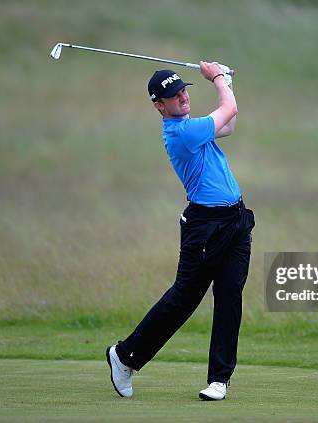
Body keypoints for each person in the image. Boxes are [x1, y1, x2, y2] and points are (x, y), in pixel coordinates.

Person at [106, 61, 255, 401]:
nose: (183, 97)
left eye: (184, 90)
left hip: (235, 222)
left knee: (230, 296)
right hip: (204, 228)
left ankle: (219, 379)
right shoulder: (181, 134)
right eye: (174, 96)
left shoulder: (193, 125)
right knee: (183, 300)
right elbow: (229, 108)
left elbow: (228, 124)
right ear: (159, 105)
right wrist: (218, 77)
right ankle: (124, 356)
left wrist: (227, 80)